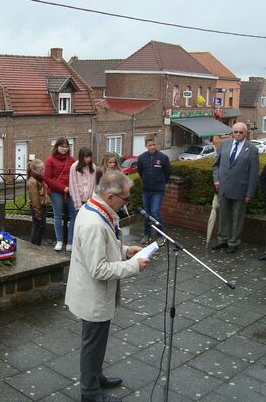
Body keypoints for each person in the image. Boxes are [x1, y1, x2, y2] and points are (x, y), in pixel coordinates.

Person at [65, 171, 148, 402]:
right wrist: (133, 266)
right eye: (126, 199)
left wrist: (124, 251)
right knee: (92, 343)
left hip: (96, 293)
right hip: (92, 295)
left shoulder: (97, 209)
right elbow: (99, 269)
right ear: (111, 196)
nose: (127, 203)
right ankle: (90, 393)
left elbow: (102, 249)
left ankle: (95, 376)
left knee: (98, 340)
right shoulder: (94, 222)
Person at [211, 122, 259, 254]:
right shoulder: (225, 145)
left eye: (240, 132)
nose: (237, 134)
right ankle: (222, 240)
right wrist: (216, 180)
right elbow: (216, 165)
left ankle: (233, 242)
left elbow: (253, 174)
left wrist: (250, 193)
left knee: (237, 218)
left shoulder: (252, 150)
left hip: (241, 190)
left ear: (246, 133)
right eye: (235, 132)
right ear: (232, 132)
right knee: (223, 216)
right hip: (223, 188)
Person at [137, 134, 171, 246]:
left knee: (155, 212)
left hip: (158, 190)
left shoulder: (163, 158)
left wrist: (161, 183)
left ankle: (161, 235)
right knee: (147, 213)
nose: (152, 147)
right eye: (149, 145)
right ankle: (147, 234)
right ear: (146, 146)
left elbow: (167, 174)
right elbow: (140, 172)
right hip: (146, 190)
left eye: (153, 144)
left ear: (156, 144)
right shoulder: (141, 158)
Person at [44, 138, 76, 252]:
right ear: (57, 147)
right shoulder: (50, 160)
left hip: (71, 191)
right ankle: (59, 240)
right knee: (58, 216)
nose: (64, 149)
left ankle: (70, 241)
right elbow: (47, 178)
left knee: (74, 215)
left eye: (66, 147)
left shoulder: (71, 160)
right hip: (56, 192)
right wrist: (63, 188)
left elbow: (75, 175)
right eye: (62, 146)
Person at [27, 159, 48, 246]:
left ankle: (37, 245)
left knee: (41, 227)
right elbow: (35, 199)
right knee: (37, 228)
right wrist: (38, 213)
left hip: (42, 206)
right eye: (41, 170)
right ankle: (34, 246)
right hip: (37, 208)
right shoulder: (33, 181)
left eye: (44, 169)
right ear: (34, 170)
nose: (43, 171)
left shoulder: (39, 178)